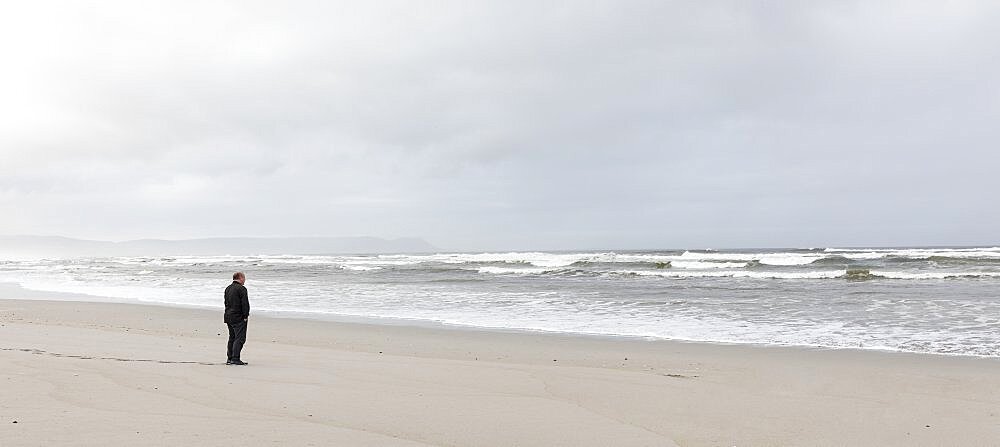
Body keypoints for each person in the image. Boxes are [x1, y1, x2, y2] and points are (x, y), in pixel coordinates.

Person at [224, 271, 250, 365]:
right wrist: (245, 316)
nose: (245, 280)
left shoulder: (228, 288)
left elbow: (226, 303)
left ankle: (230, 358)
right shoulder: (242, 289)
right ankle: (235, 358)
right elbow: (245, 304)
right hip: (238, 317)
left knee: (232, 337)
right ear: (240, 278)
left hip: (228, 316)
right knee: (240, 338)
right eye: (244, 278)